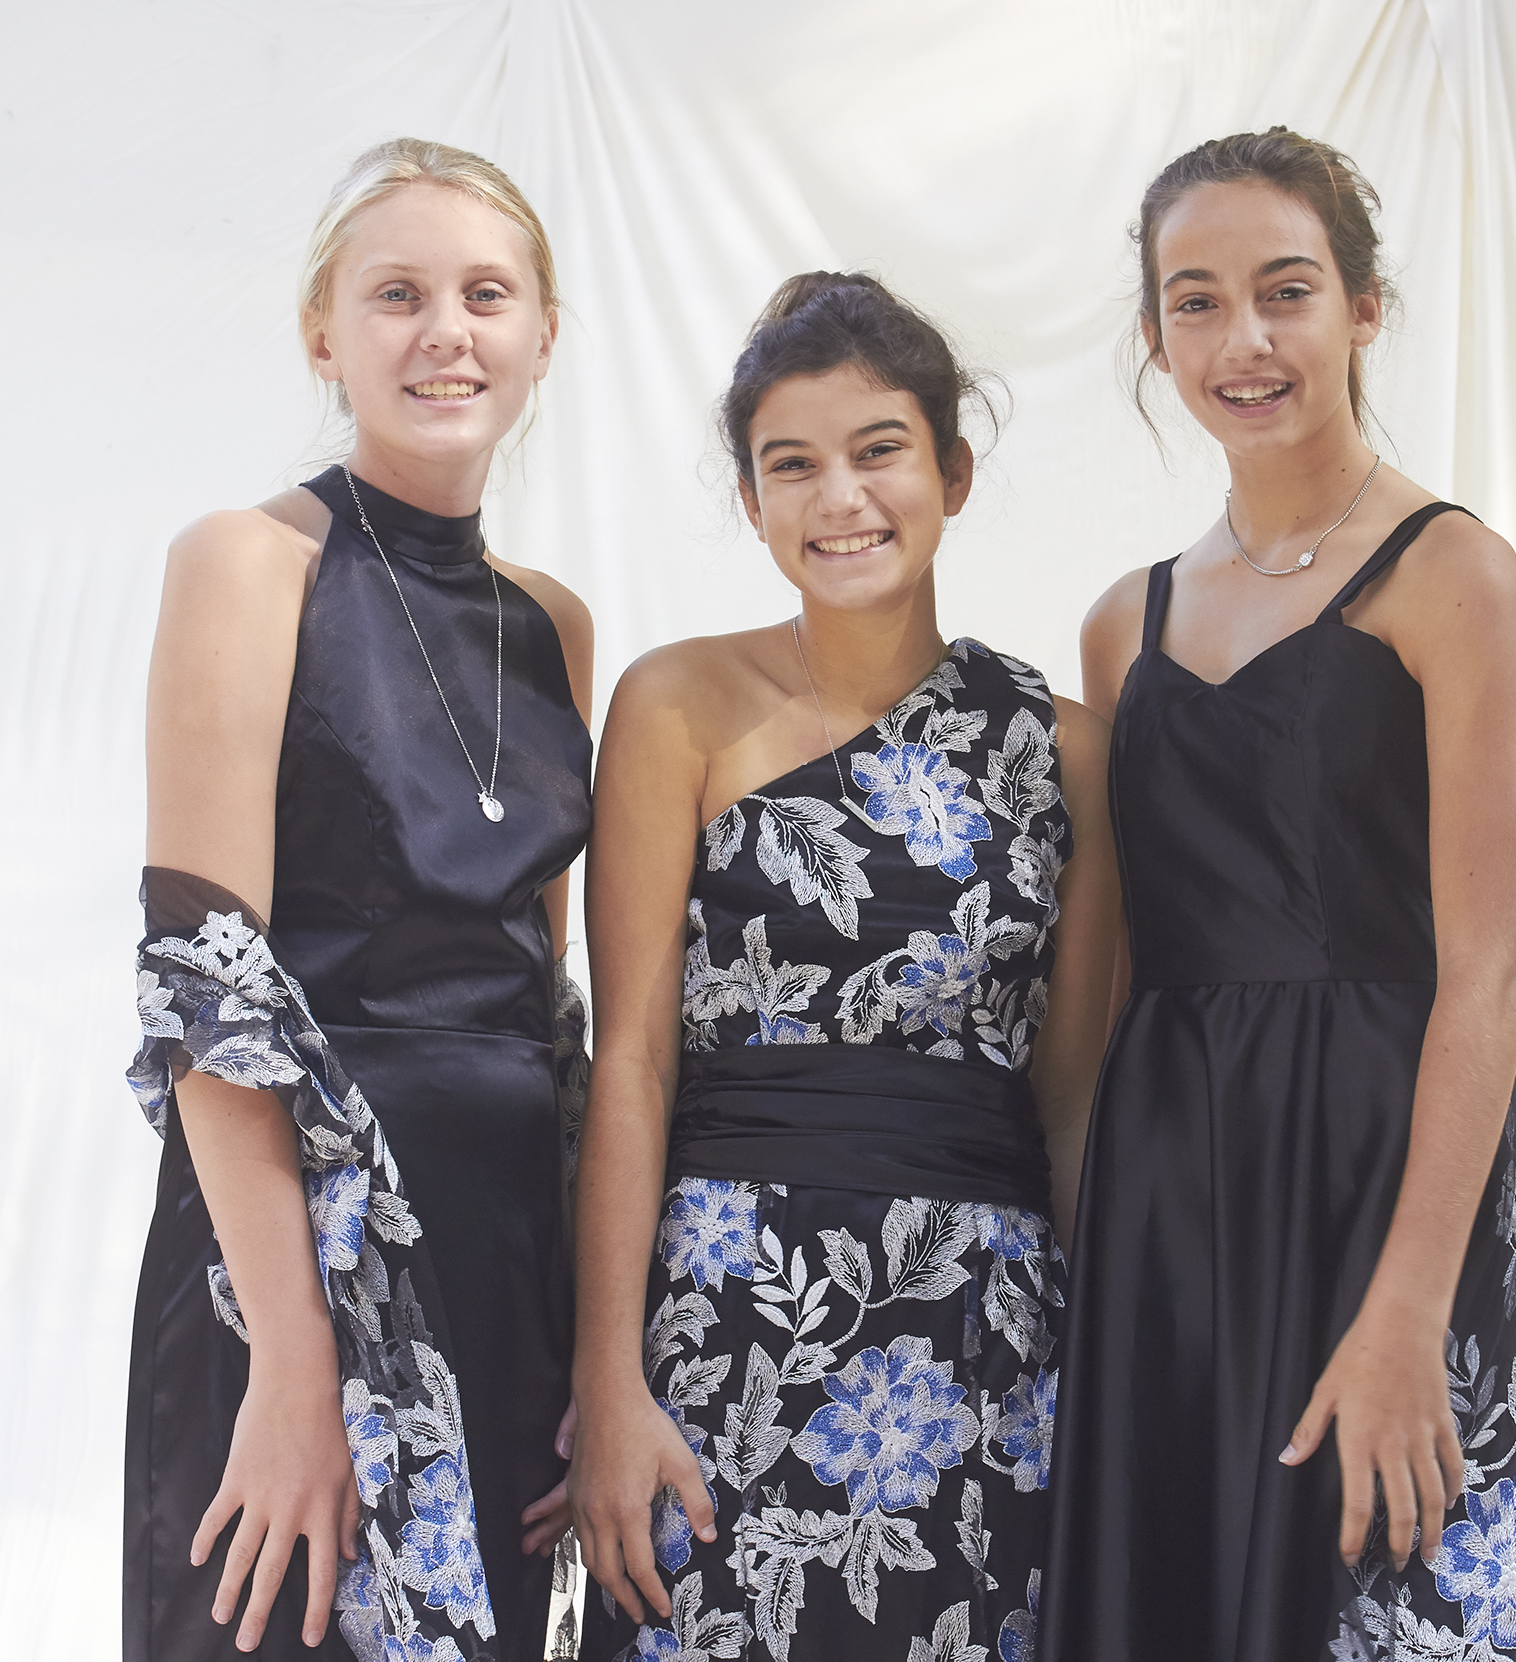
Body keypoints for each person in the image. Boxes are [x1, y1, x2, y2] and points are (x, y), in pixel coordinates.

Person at [1042, 129, 1516, 1661]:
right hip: (1179, 1194)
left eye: (1286, 291)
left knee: (1408, 1590)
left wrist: (1409, 1303)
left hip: (1393, 1170)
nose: (1242, 340)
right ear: (1154, 337)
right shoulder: (1123, 625)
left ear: (1364, 308)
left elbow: (1487, 974)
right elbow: (1127, 973)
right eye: (1195, 302)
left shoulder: (1451, 572)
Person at [566, 273, 1121, 1662]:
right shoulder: (674, 703)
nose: (839, 497)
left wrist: (1091, 1383)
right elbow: (629, 1061)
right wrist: (609, 1374)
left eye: (878, 449)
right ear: (752, 502)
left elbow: (1066, 1101)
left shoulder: (1071, 750)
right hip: (726, 1314)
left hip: (978, 1330)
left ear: (953, 470)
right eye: (791, 465)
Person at [126, 137, 593, 1661]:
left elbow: (549, 1001)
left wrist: (592, 1337)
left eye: (484, 294)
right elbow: (206, 989)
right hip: (304, 1240)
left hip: (505, 1250)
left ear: (540, 335)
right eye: (396, 294)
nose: (443, 331)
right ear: (325, 334)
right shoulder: (248, 563)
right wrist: (291, 1362)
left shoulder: (558, 626)